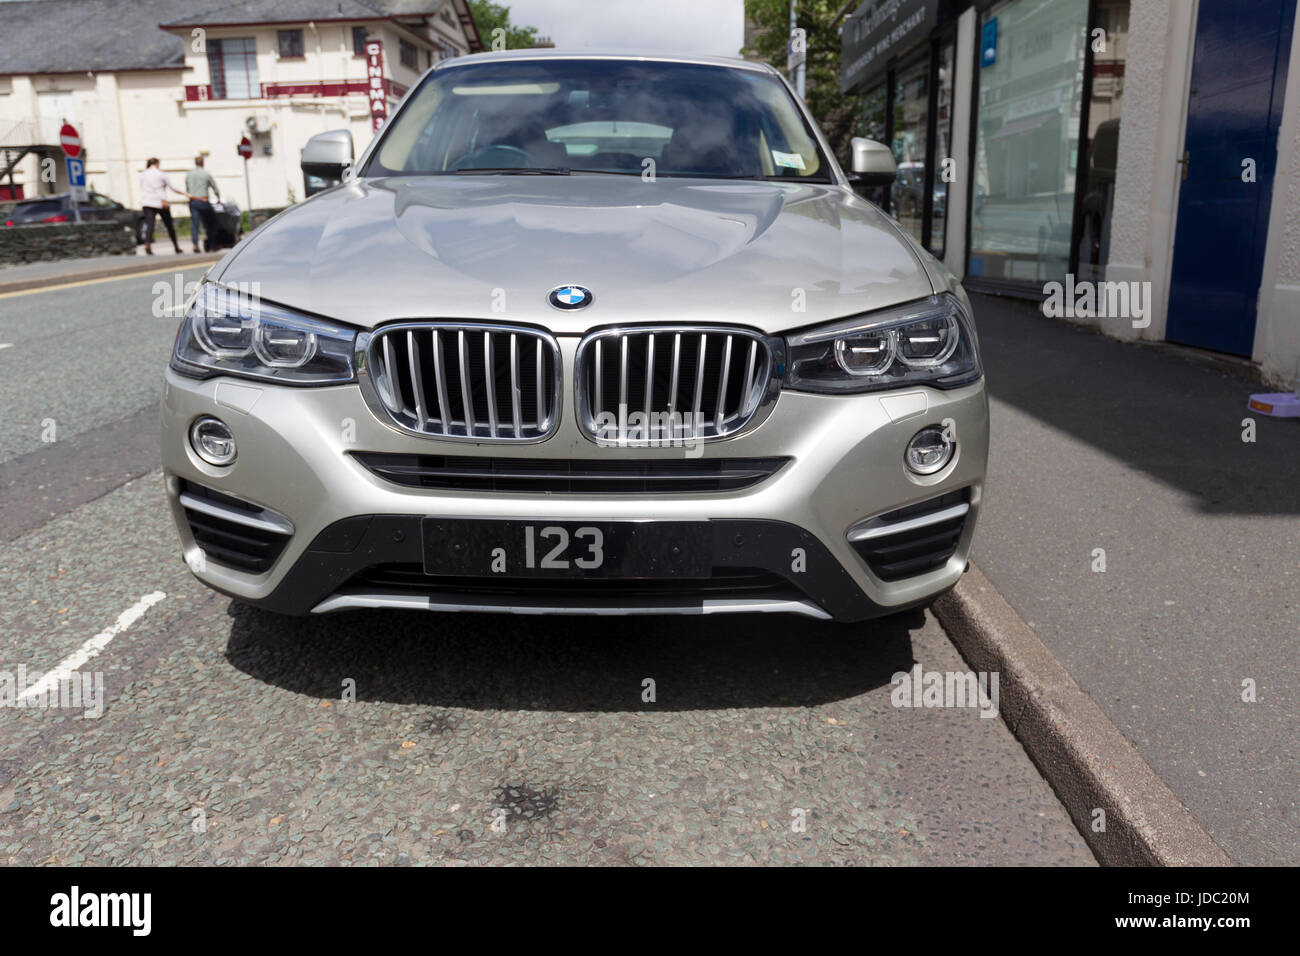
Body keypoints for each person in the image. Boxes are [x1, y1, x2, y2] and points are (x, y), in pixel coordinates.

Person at [138, 158, 190, 255]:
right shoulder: (161, 174)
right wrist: (184, 193)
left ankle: (147, 244)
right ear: (157, 164)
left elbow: (142, 188)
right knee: (169, 225)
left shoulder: (143, 174)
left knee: (150, 225)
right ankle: (176, 246)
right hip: (160, 202)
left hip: (147, 202)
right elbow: (172, 187)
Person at [185, 156, 221, 253]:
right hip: (204, 201)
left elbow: (187, 188)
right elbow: (214, 187)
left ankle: (195, 244)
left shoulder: (189, 174)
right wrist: (218, 198)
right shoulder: (206, 174)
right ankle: (212, 245)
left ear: (195, 163)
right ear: (203, 163)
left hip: (193, 202)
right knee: (211, 223)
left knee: (195, 224)